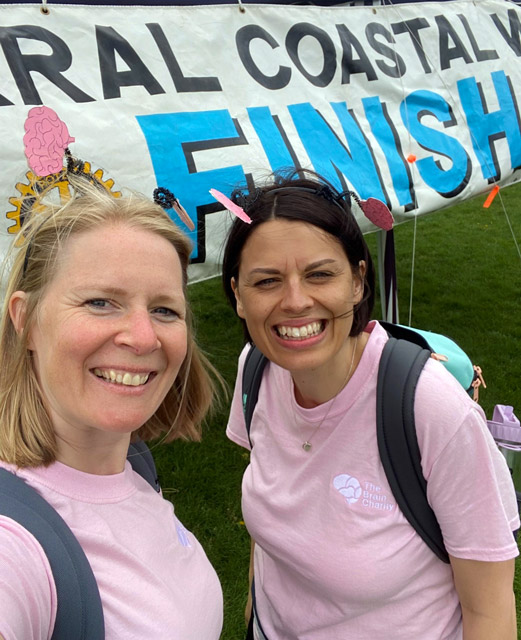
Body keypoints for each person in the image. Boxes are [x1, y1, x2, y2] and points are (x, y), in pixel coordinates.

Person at [221, 170, 519, 640]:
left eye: (320, 274)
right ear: (238, 295)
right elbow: (275, 504)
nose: (295, 301)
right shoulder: (256, 368)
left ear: (359, 281)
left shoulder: (431, 410)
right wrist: (255, 609)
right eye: (267, 281)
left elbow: (490, 610)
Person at [0, 176, 223, 639]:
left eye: (165, 310)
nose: (142, 338)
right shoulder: (13, 543)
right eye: (101, 302)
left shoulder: (132, 463)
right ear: (25, 320)